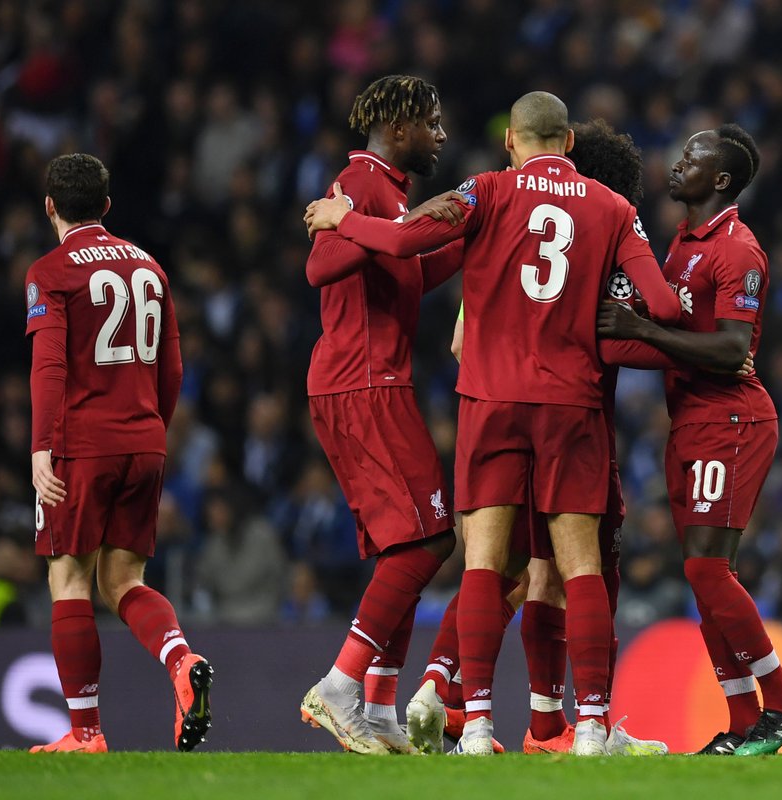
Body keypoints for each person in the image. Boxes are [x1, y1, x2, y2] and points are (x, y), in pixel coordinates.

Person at [305, 92, 681, 756]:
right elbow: (661, 306)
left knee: (484, 560)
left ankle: (475, 724)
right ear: (568, 143)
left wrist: (342, 217)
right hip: (572, 402)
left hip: (491, 400)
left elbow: (398, 240)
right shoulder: (615, 209)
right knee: (577, 565)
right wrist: (613, 324)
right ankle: (589, 726)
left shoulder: (483, 192)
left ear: (512, 140)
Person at [597, 123, 782, 755]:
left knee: (706, 567)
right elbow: (664, 343)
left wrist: (642, 330)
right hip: (691, 420)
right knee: (704, 574)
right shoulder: (683, 243)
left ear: (720, 180)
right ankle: (745, 721)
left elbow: (730, 348)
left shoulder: (737, 250)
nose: (677, 159)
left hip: (732, 420)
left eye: (692, 155)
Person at [25, 153, 212, 753]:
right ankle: (182, 661)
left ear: (50, 206)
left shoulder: (50, 272)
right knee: (124, 577)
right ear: (107, 206)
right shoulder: (150, 266)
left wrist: (41, 447)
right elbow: (173, 366)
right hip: (145, 439)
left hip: (84, 444)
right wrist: (151, 428)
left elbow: (50, 364)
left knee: (69, 575)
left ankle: (86, 733)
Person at [298, 74, 460, 756]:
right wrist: (365, 227)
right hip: (363, 384)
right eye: (432, 122)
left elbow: (409, 274)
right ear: (399, 129)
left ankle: (382, 707)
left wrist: (471, 239)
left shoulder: (389, 193)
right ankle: (340, 685)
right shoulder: (361, 183)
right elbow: (321, 264)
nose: (442, 136)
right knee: (428, 543)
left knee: (408, 546)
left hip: (370, 382)